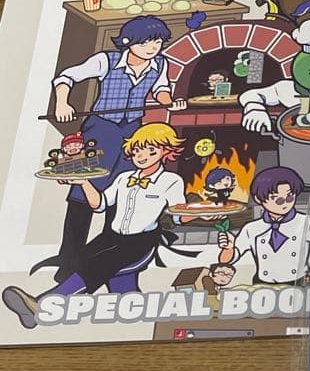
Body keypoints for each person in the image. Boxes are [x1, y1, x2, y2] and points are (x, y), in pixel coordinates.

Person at [3, 125, 197, 329]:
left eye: (151, 150)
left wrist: (202, 214)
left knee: (97, 266)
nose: (143, 156)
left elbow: (178, 216)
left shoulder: (171, 181)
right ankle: (137, 313)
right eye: (138, 150)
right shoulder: (123, 178)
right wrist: (83, 182)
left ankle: (42, 306)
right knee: (96, 271)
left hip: (140, 242)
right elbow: (100, 204)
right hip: (111, 237)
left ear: (166, 151)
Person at [43, 17, 186, 283]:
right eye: (146, 42)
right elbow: (66, 77)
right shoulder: (105, 61)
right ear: (128, 42)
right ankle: (68, 261)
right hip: (101, 130)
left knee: (121, 191)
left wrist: (169, 101)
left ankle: (107, 259)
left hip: (132, 132)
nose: (152, 48)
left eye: (157, 42)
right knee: (83, 194)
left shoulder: (160, 64)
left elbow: (161, 89)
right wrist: (62, 103)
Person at [217, 166, 309, 284]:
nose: (285, 203)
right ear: (258, 199)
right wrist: (229, 248)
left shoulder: (307, 222)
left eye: (290, 197)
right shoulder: (252, 228)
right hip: (262, 285)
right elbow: (226, 261)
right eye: (278, 200)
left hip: (298, 283)